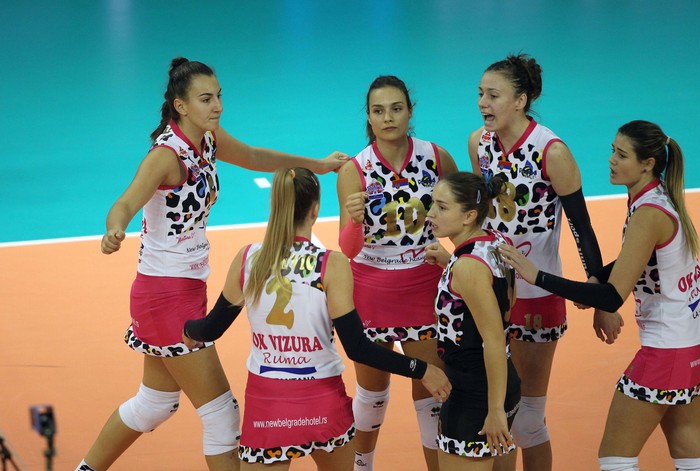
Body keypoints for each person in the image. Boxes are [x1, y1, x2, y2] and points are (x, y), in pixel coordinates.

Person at [76, 57, 349, 471]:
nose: (217, 105)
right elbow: (127, 202)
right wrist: (115, 229)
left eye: (219, 96)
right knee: (221, 415)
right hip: (165, 294)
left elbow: (254, 156)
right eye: (206, 99)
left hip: (187, 288)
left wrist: (318, 165)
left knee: (154, 403)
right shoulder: (166, 156)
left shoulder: (208, 138)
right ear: (181, 106)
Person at [181, 167, 452, 470]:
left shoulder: (249, 259)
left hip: (268, 407)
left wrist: (188, 329)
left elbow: (211, 328)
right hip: (323, 404)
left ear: (276, 205)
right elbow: (357, 348)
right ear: (315, 209)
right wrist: (421, 369)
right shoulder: (331, 264)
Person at [498, 120, 700, 471]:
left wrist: (538, 276)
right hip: (695, 345)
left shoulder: (648, 214)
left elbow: (612, 298)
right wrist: (594, 280)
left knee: (616, 458)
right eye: (612, 151)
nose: (611, 160)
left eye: (622, 154)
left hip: (667, 352)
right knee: (691, 453)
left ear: (647, 164)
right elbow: (634, 259)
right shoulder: (658, 197)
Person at [466, 53, 605, 470]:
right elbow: (482, 217)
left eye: (493, 95)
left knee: (526, 419)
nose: (483, 103)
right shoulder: (479, 143)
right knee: (497, 411)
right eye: (480, 94)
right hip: (490, 292)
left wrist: (601, 296)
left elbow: (581, 226)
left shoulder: (551, 151)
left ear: (521, 100)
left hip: (537, 295)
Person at [336, 75, 459, 471]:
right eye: (378, 110)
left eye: (395, 108)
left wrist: (453, 255)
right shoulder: (354, 169)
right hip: (371, 292)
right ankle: (361, 466)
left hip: (425, 290)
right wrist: (355, 221)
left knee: (433, 393)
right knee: (372, 395)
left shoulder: (437, 158)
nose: (387, 117)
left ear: (410, 111)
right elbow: (348, 249)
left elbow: (463, 220)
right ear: (369, 118)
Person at [425, 172, 521, 471]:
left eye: (442, 207)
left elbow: (493, 339)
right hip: (499, 382)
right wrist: (451, 264)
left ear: (469, 215)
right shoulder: (496, 241)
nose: (430, 214)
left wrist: (494, 410)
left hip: (475, 394)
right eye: (432, 203)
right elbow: (507, 298)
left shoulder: (467, 268)